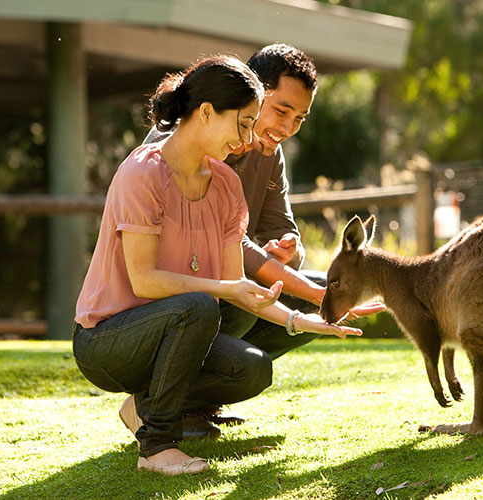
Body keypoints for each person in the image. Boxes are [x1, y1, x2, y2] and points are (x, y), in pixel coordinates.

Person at [72, 56, 361, 476]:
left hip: (176, 319)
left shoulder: (225, 185)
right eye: (243, 124)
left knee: (252, 367)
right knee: (201, 305)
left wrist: (300, 320)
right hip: (107, 339)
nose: (248, 139)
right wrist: (226, 290)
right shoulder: (142, 173)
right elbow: (146, 281)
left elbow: (238, 283)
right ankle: (156, 448)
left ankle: (147, 408)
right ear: (206, 113)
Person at [142, 44, 384, 422]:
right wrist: (308, 288)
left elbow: (283, 233)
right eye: (281, 111)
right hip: (168, 302)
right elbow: (231, 246)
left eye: (300, 118)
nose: (287, 129)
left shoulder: (270, 154)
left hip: (225, 287)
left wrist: (285, 254)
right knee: (269, 300)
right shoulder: (186, 144)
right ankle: (156, 399)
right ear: (253, 93)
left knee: (311, 297)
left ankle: (195, 400)